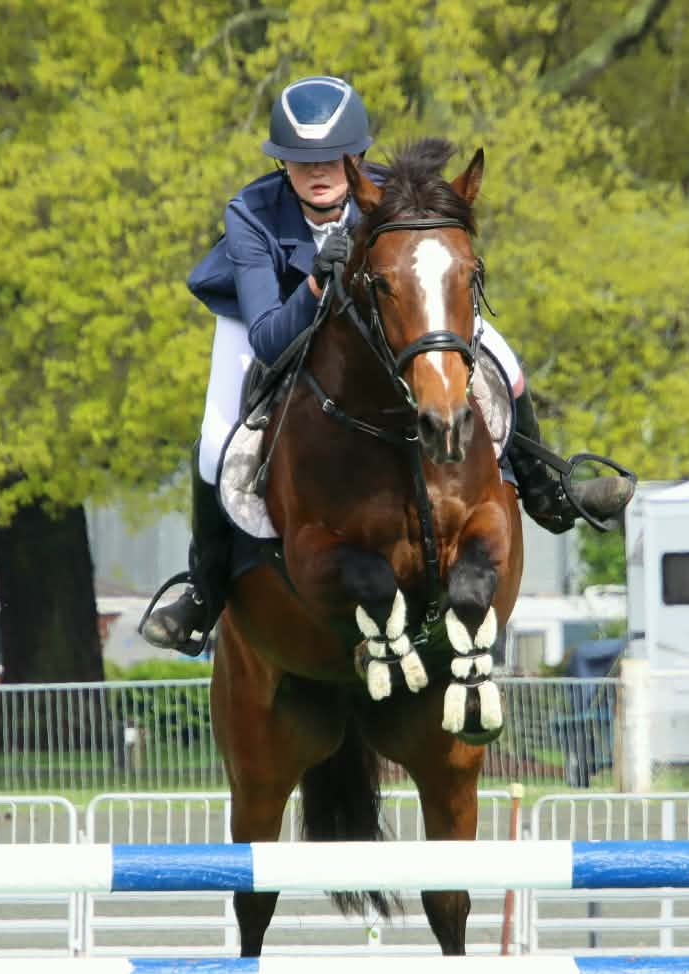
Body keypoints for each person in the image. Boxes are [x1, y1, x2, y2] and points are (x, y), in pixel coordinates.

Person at [139, 75, 635, 656]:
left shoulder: (386, 195)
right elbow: (270, 338)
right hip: (266, 316)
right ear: (282, 163)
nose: (318, 172)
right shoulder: (251, 214)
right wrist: (317, 282)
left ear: (357, 157)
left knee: (501, 358)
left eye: (332, 159)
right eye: (302, 161)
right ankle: (204, 589)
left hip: (377, 313)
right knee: (214, 442)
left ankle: (546, 489)